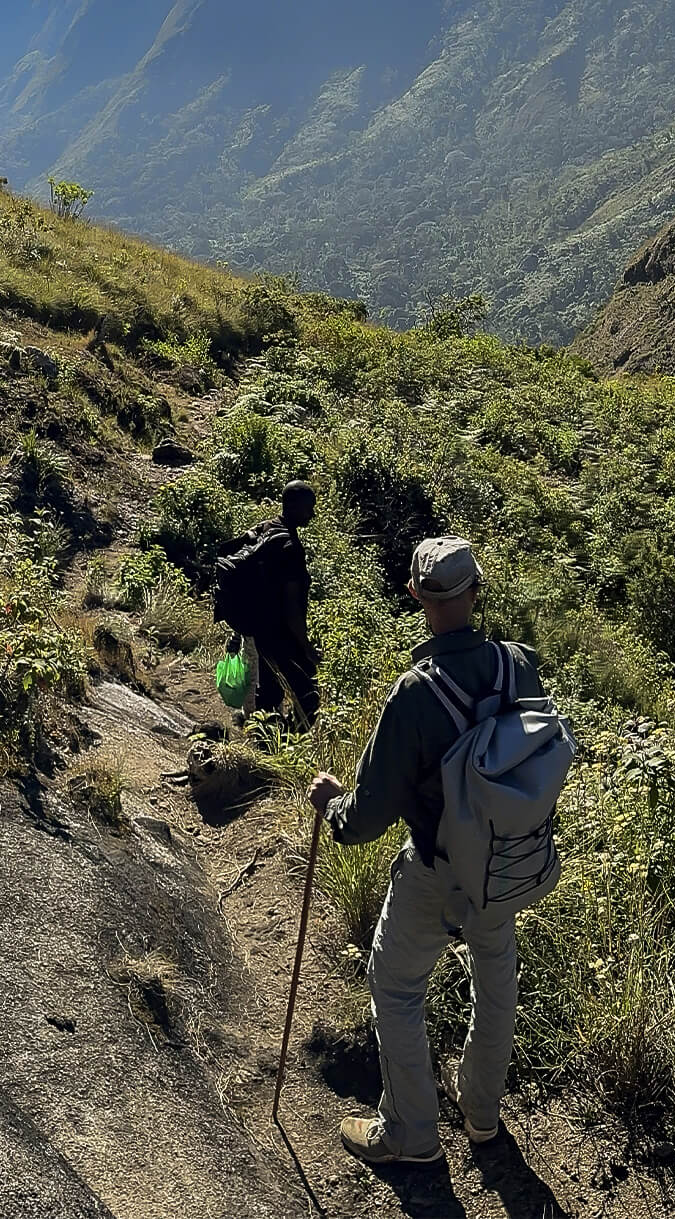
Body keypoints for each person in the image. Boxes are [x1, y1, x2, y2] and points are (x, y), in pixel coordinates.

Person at [308, 536, 545, 1164]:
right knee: (496, 989)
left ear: (415, 596)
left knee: (397, 986)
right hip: (504, 866)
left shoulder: (415, 695)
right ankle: (482, 1117)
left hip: (437, 869)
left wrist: (330, 804)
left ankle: (412, 1134)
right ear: (476, 590)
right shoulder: (518, 664)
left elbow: (366, 818)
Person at [214, 480, 318, 723]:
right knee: (308, 691)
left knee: (269, 689)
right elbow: (293, 609)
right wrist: (306, 646)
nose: (311, 514)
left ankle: (263, 738)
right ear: (292, 506)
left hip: (259, 628)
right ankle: (286, 744)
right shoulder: (289, 547)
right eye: (308, 508)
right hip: (279, 631)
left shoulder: (266, 528)